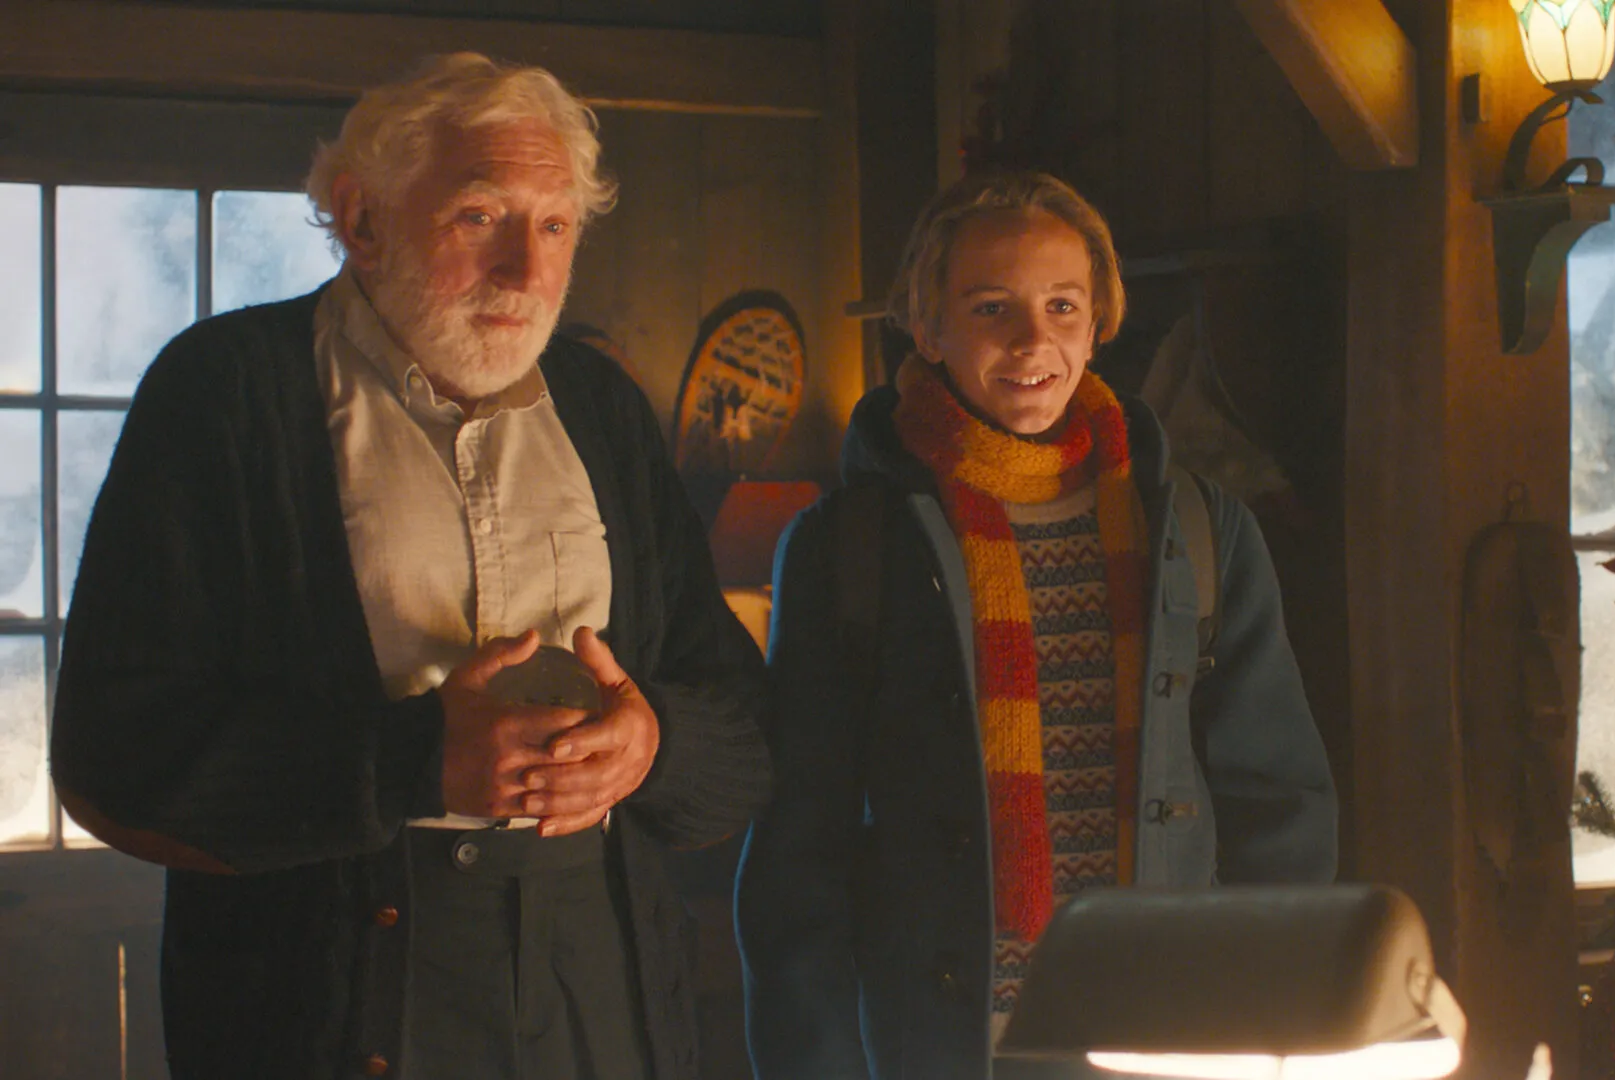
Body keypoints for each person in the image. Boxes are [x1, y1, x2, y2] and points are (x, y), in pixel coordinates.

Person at [50, 53, 769, 1080]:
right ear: (362, 218)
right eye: (480, 216)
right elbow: (116, 754)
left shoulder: (604, 409)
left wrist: (653, 744)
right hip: (329, 996)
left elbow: (743, 728)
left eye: (554, 226)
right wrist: (415, 761)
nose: (526, 270)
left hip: (597, 979)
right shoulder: (224, 390)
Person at [734, 170, 1337, 1080]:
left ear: (1097, 325)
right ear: (927, 327)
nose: (1032, 340)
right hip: (943, 1045)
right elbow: (798, 856)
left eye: (1062, 306)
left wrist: (1270, 1028)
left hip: (1167, 1034)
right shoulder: (848, 548)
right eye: (990, 308)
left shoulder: (1199, 533)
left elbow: (1279, 808)